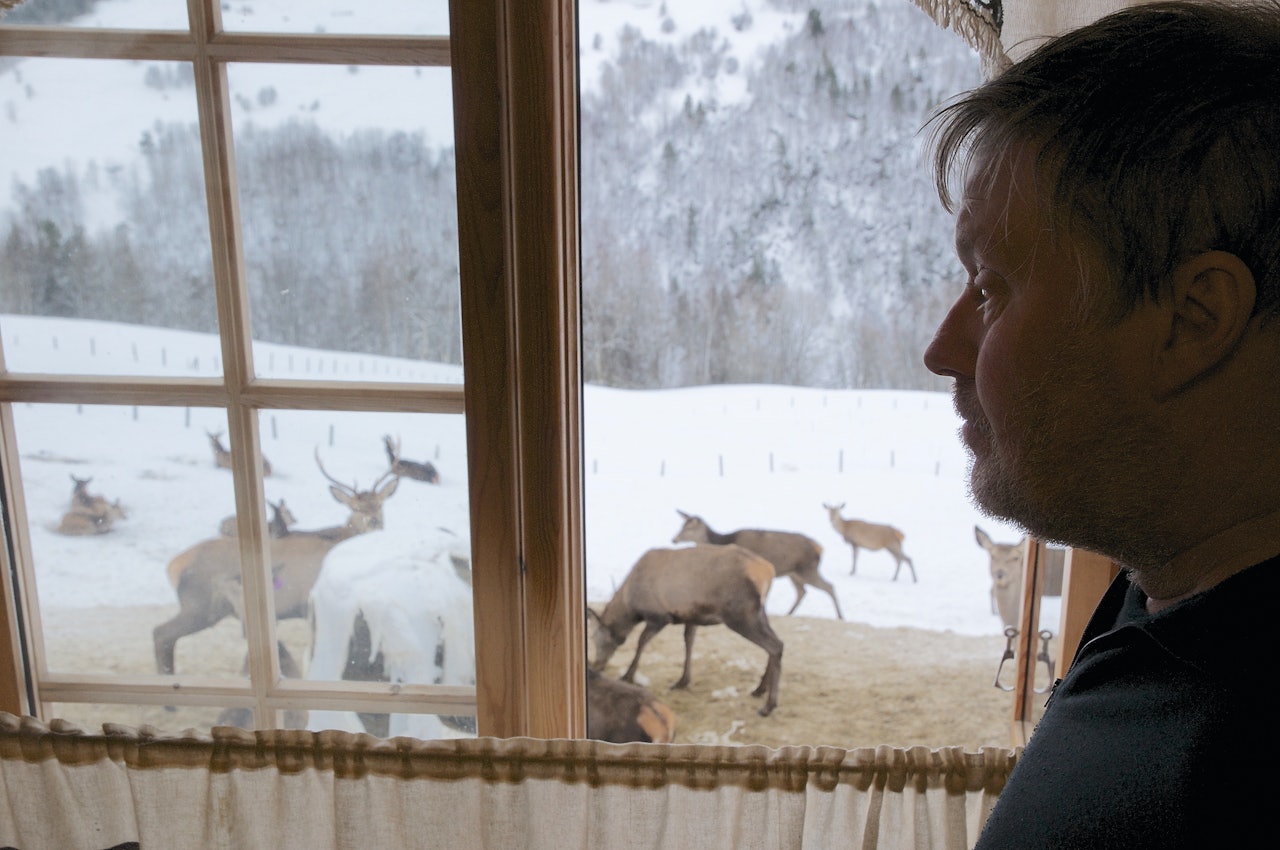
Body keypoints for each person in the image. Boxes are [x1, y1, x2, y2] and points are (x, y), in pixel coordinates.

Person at [921, 1, 1280, 847]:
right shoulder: (1169, 595)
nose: (942, 350)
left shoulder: (1242, 771)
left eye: (989, 289)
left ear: (1192, 319)